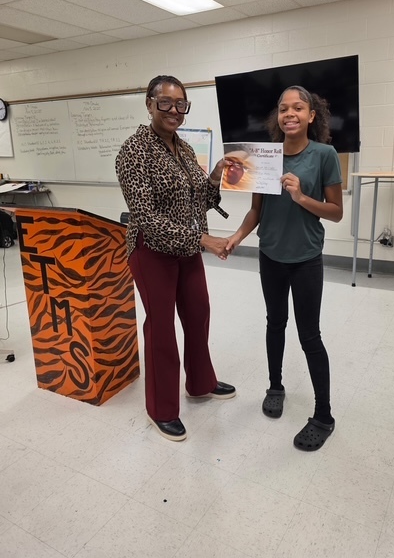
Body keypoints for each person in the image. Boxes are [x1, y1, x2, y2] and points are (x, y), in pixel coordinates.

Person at [116, 74, 235, 442]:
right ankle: (161, 409)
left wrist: (214, 175)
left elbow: (198, 197)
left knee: (198, 313)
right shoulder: (133, 152)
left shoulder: (182, 148)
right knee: (162, 327)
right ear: (149, 104)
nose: (173, 110)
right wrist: (204, 239)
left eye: (180, 104)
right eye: (164, 102)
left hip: (186, 250)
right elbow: (148, 220)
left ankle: (200, 383)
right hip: (151, 252)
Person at [226, 85, 343, 451]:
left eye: (298, 108)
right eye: (283, 108)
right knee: (275, 323)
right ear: (277, 117)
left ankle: (323, 415)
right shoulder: (264, 157)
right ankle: (275, 386)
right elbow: (256, 211)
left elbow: (336, 212)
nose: (289, 113)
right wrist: (237, 236)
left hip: (306, 259)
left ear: (312, 115)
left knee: (310, 336)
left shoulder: (325, 154)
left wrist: (301, 196)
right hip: (271, 256)